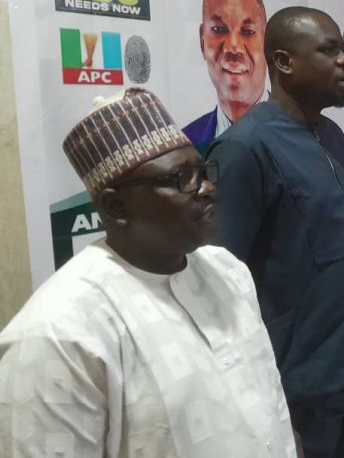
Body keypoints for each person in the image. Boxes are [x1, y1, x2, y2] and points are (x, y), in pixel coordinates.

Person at [0, 88, 296, 457]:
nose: (207, 189)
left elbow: (270, 405)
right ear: (116, 205)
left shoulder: (228, 272)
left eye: (203, 172)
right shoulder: (59, 334)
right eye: (180, 179)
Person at [207, 7, 344, 458]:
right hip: (301, 393)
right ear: (284, 62)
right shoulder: (244, 149)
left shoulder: (333, 134)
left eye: (342, 49)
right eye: (329, 50)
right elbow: (219, 287)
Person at [183, 0, 269, 153]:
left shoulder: (301, 136)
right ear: (202, 41)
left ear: (267, 41)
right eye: (219, 30)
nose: (233, 47)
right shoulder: (185, 147)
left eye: (247, 32)